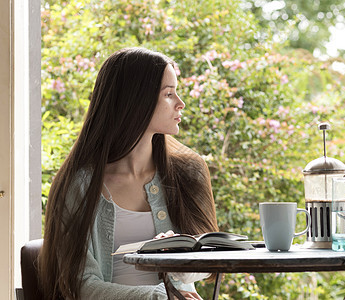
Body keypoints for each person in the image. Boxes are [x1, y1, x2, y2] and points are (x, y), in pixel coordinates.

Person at [39, 47, 219, 299]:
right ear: (136, 101)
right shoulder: (80, 185)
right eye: (169, 94)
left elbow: (210, 267)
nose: (181, 103)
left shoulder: (188, 172)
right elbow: (80, 285)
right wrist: (156, 298)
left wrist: (178, 255)